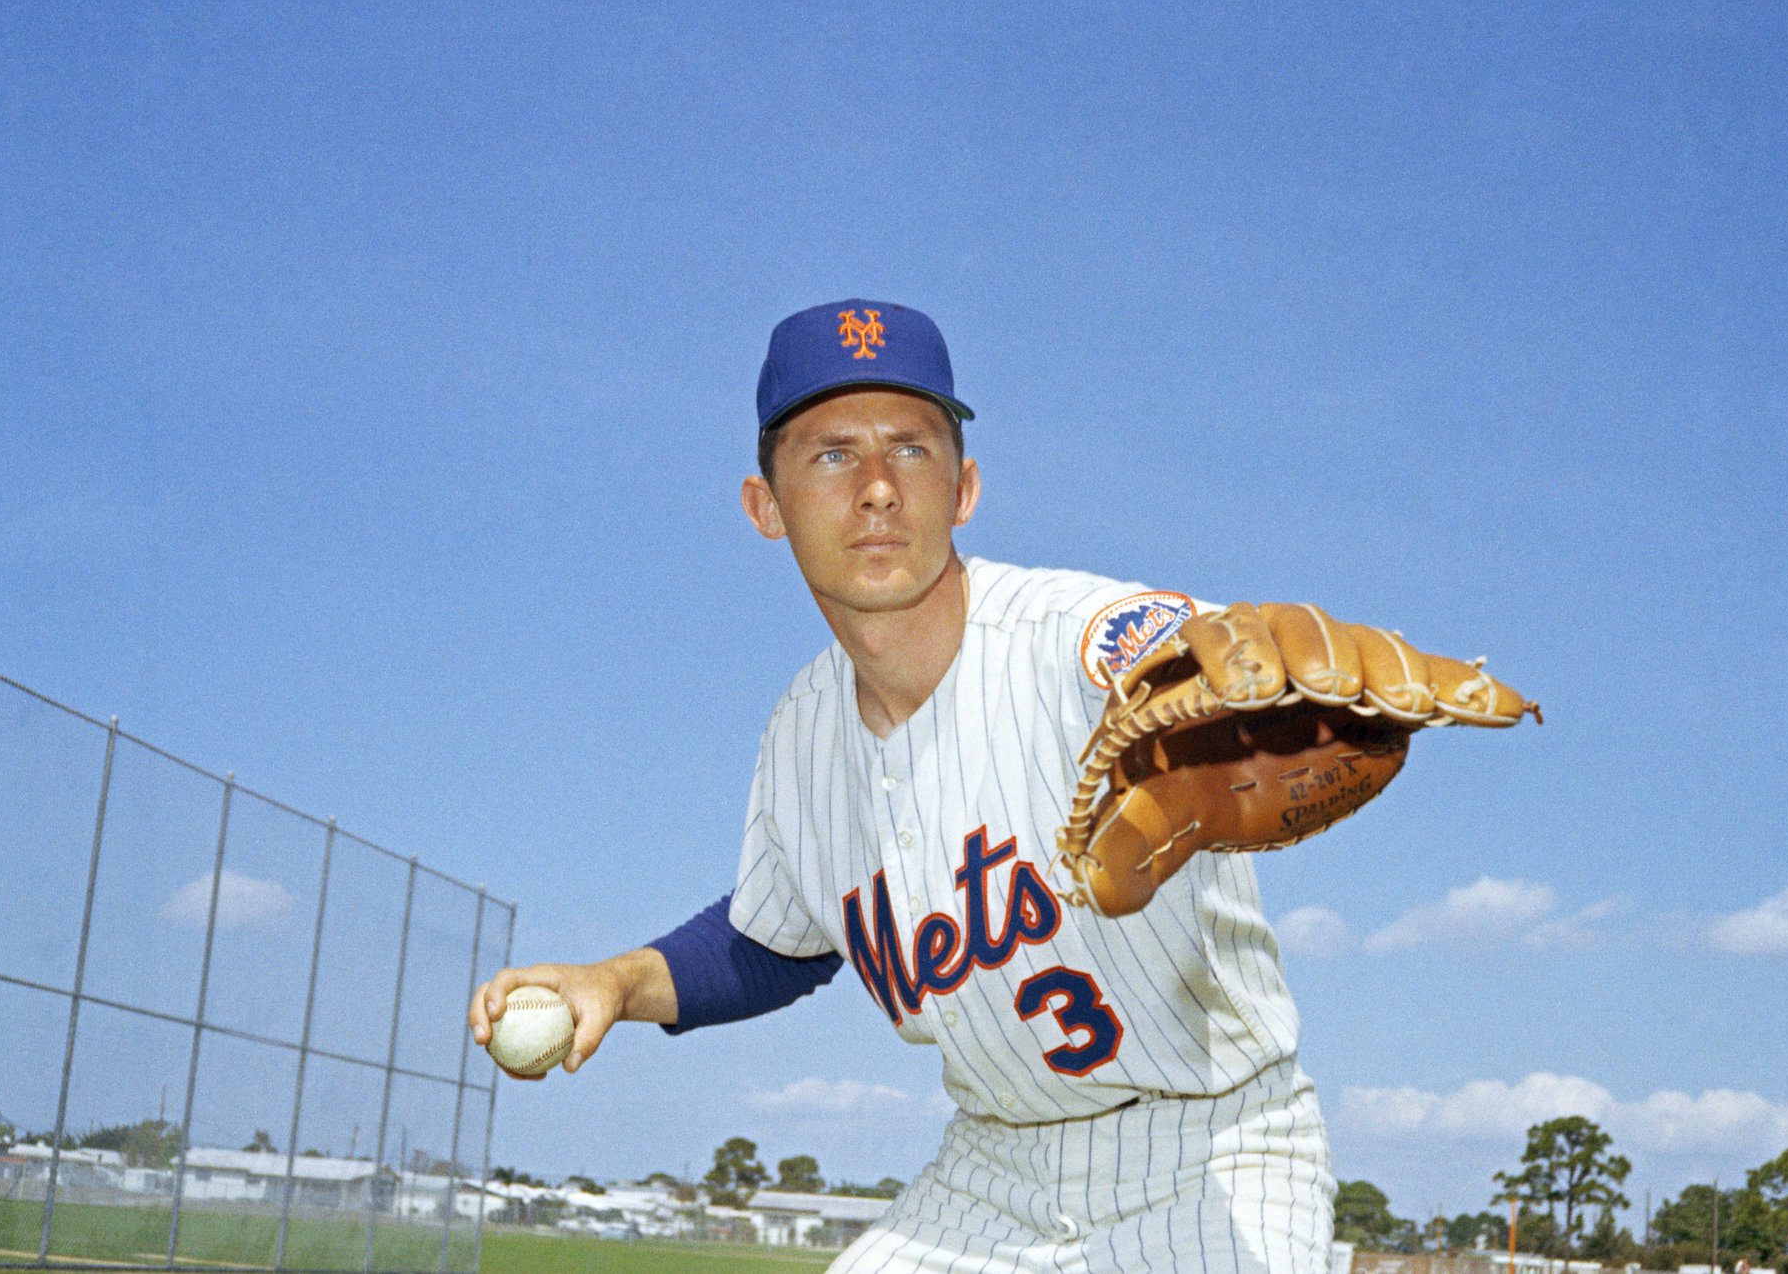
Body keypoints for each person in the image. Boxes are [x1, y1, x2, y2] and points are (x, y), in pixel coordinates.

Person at [469, 299, 1335, 1272]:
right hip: (994, 1166)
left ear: (962, 488)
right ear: (765, 505)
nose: (877, 489)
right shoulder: (800, 736)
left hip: (1211, 1146)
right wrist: (612, 982)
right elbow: (772, 941)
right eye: (833, 454)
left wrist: (1270, 708)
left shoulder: (1073, 639)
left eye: (911, 450)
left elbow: (1189, 658)